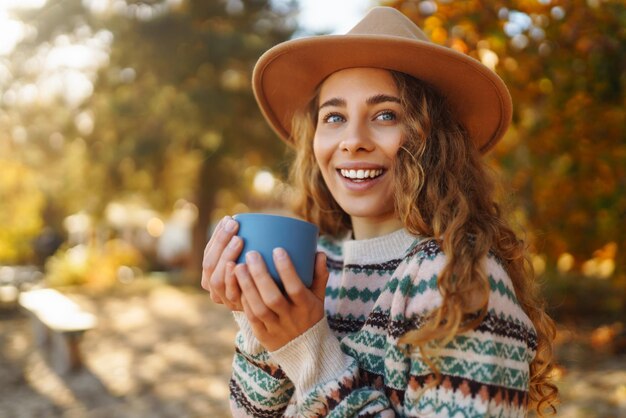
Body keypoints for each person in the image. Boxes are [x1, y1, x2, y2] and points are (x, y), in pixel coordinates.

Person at [201, 6, 558, 417]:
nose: (353, 140)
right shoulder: (317, 265)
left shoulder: (457, 278)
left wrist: (308, 350)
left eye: (385, 115)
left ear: (435, 140)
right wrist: (259, 325)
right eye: (334, 116)